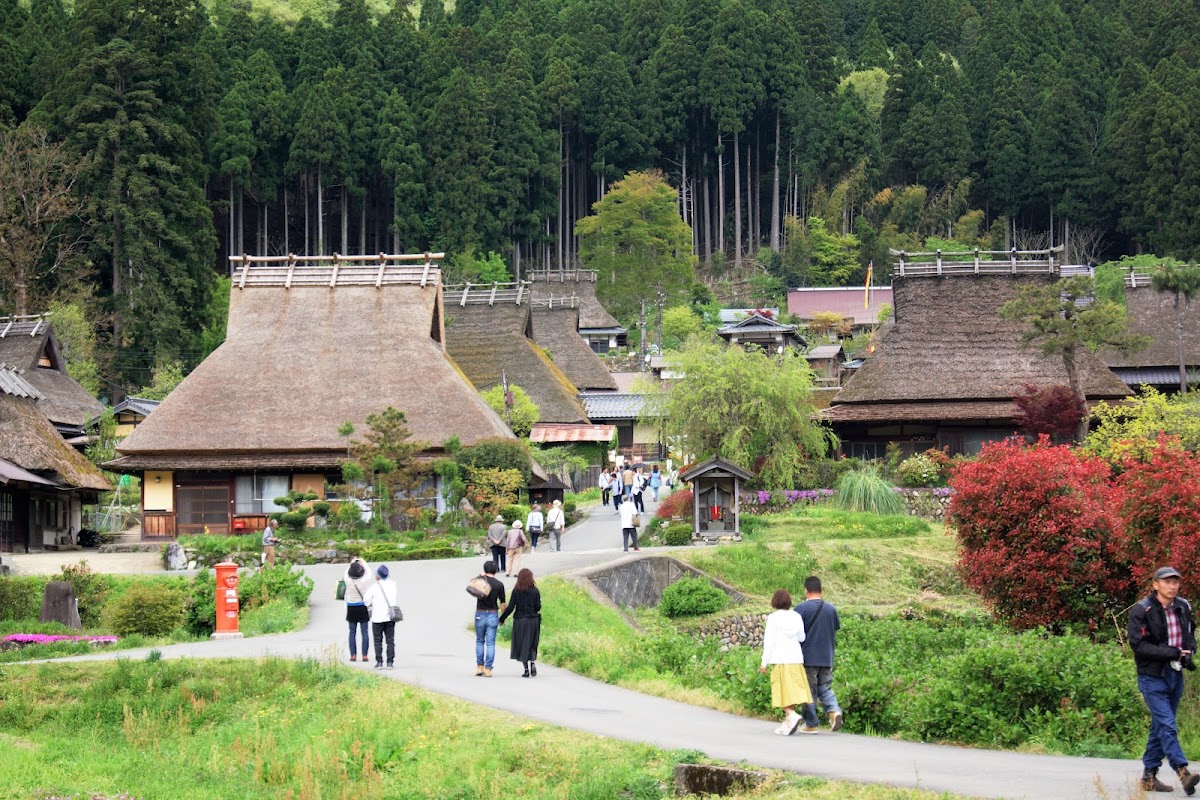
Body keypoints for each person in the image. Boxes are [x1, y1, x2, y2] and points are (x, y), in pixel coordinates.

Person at [1129, 566, 1199, 794]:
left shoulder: (1183, 606)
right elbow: (1138, 645)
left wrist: (1189, 652)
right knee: (1167, 724)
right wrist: (1172, 652)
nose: (1172, 586)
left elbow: (1189, 633)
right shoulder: (1142, 610)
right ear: (1155, 584)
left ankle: (1149, 776)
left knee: (1161, 725)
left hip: (1175, 673)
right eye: (1167, 581)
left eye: (1175, 581)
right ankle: (1183, 771)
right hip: (1152, 676)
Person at [759, 588, 818, 735]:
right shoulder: (796, 616)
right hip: (796, 658)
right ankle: (787, 723)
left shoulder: (773, 618)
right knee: (794, 690)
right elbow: (801, 638)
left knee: (781, 691)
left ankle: (791, 715)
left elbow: (769, 642)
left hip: (780, 658)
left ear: (774, 602)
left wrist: (764, 662)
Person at [794, 576, 844, 731]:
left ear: (806, 590)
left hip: (808, 657)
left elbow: (796, 635)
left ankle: (811, 724)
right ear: (821, 591)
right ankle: (834, 711)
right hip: (827, 657)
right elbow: (834, 629)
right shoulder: (831, 609)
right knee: (825, 688)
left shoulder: (800, 609)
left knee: (808, 690)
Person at [499, 568, 542, 677]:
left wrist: (502, 618)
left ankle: (526, 670)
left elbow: (510, 607)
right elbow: (538, 607)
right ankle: (532, 662)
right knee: (532, 642)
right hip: (533, 620)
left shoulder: (516, 590)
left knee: (522, 644)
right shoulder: (535, 591)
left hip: (520, 620)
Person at [474, 560, 506, 677]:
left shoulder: (481, 581)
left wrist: (480, 575)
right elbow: (503, 603)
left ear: (485, 569)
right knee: (491, 643)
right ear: (496, 570)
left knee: (480, 641)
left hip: (480, 613)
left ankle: (479, 667)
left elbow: (472, 584)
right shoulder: (499, 584)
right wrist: (503, 617)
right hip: (493, 614)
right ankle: (488, 669)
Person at [362, 564, 398, 669]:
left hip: (377, 618)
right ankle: (390, 662)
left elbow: (365, 600)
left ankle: (379, 662)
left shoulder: (374, 587)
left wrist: (372, 604)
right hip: (390, 617)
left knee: (378, 641)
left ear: (377, 576)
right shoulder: (393, 585)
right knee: (390, 640)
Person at [343, 557, 372, 663]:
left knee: (352, 632)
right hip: (362, 606)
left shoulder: (348, 580)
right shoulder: (364, 580)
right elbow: (369, 572)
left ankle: (353, 655)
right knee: (365, 632)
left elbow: (345, 572)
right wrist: (363, 562)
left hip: (351, 606)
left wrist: (352, 562)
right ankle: (364, 655)